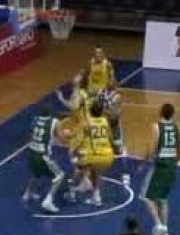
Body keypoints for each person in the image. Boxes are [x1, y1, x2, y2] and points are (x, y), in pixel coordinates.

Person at [142, 103, 180, 235]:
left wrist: (144, 161)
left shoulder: (157, 127)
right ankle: (165, 232)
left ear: (160, 112)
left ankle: (158, 224)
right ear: (173, 114)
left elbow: (153, 149)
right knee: (163, 199)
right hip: (171, 165)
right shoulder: (176, 127)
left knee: (146, 197)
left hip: (160, 165)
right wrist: (175, 161)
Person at [56, 71, 92, 202]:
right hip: (82, 126)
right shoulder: (80, 93)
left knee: (74, 156)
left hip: (81, 128)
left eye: (77, 76)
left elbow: (74, 107)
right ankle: (85, 181)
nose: (74, 77)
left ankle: (79, 182)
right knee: (80, 156)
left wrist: (62, 99)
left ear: (80, 81)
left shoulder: (78, 93)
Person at [23, 107, 66, 213]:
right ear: (50, 114)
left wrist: (51, 140)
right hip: (43, 155)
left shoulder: (35, 119)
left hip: (32, 152)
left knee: (37, 173)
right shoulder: (54, 122)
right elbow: (61, 138)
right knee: (59, 176)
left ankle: (28, 193)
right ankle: (48, 201)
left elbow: (33, 135)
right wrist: (69, 135)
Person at [76, 100, 115, 206]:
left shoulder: (87, 123)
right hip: (108, 155)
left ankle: (82, 183)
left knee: (77, 164)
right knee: (96, 173)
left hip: (93, 156)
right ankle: (96, 196)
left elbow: (79, 138)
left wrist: (75, 149)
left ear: (90, 111)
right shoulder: (105, 121)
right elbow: (111, 138)